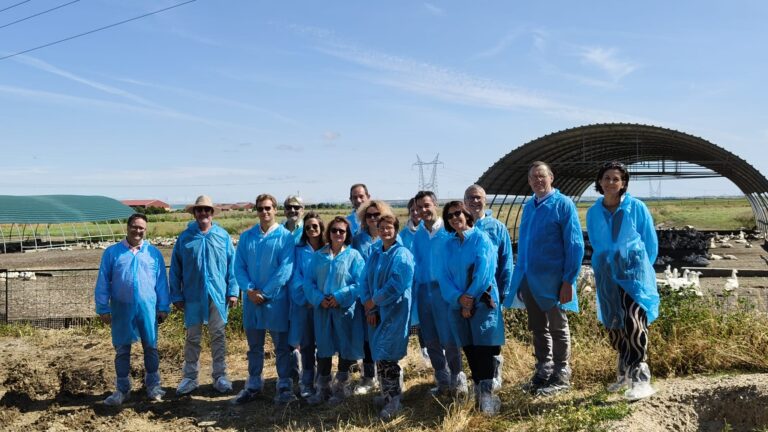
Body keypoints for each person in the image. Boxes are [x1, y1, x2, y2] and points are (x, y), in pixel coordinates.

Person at [504, 161, 585, 396]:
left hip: (554, 279)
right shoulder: (529, 206)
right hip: (530, 277)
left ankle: (562, 372)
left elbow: (574, 245)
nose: (538, 181)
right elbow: (526, 244)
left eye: (542, 176)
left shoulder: (563, 205)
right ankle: (543, 369)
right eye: (533, 177)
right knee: (538, 327)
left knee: (558, 326)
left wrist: (569, 279)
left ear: (551, 178)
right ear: (529, 182)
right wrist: (520, 279)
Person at [586, 161, 659, 401]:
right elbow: (597, 243)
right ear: (599, 182)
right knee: (614, 325)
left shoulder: (636, 207)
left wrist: (640, 268)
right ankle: (624, 373)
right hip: (607, 274)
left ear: (624, 183)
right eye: (606, 178)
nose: (610, 183)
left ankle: (641, 377)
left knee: (634, 322)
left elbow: (649, 242)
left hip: (633, 275)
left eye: (616, 179)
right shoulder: (593, 211)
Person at [94, 213, 169, 406]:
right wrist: (103, 307)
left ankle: (153, 386)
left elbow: (161, 282)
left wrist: (163, 306)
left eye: (141, 228)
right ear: (127, 228)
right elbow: (103, 280)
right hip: (121, 308)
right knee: (122, 349)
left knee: (150, 347)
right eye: (134, 227)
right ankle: (122, 389)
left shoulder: (153, 253)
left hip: (148, 308)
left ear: (146, 229)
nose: (137, 231)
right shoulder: (112, 253)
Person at [439, 201, 505, 415]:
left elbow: (484, 272)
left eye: (458, 213)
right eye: (450, 216)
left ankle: (488, 397)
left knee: (483, 348)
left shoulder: (480, 239)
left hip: (481, 302)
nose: (455, 217)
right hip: (457, 305)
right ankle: (478, 391)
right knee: (468, 348)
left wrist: (469, 298)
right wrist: (459, 299)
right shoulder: (448, 246)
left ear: (467, 214)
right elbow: (444, 277)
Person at [171, 195, 238, 396]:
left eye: (207, 210)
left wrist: (233, 291)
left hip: (217, 295)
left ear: (211, 213)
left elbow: (231, 266)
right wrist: (176, 295)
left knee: (218, 335)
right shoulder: (185, 238)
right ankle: (190, 377)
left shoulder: (222, 236)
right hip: (192, 295)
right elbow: (175, 269)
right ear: (194, 213)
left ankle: (220, 376)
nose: (203, 213)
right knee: (193, 337)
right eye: (199, 210)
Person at [233, 194, 296, 405]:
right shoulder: (247, 237)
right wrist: (249, 290)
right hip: (251, 301)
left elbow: (285, 269)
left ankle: (285, 384)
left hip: (276, 300)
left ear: (275, 209)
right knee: (254, 346)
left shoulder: (285, 237)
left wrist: (266, 293)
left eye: (268, 208)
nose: (264, 212)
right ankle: (253, 385)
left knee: (281, 346)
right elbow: (239, 266)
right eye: (260, 208)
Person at [304, 217, 366, 405]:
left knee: (345, 348)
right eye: (334, 230)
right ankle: (323, 389)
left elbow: (360, 282)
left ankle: (340, 388)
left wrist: (339, 296)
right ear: (328, 233)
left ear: (347, 235)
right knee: (323, 348)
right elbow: (309, 282)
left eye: (342, 231)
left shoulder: (353, 256)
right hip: (322, 310)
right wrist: (318, 298)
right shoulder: (319, 256)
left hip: (344, 310)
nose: (338, 233)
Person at [411, 190, 467, 396]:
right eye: (418, 207)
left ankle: (457, 378)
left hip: (445, 290)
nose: (423, 210)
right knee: (430, 337)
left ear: (435, 204)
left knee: (449, 336)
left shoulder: (447, 232)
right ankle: (442, 380)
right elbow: (417, 264)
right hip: (425, 291)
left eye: (426, 205)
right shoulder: (418, 235)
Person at [360, 214, 414, 420]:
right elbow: (364, 279)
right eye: (381, 227)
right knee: (379, 357)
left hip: (395, 312)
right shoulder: (375, 254)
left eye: (389, 227)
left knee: (388, 356)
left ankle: (394, 401)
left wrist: (375, 301)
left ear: (396, 229)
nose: (385, 231)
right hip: (376, 312)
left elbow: (397, 285)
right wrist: (370, 306)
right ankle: (387, 394)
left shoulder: (402, 255)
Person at [463, 184, 512, 390]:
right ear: (464, 202)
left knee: (490, 334)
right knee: (470, 338)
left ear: (486, 200)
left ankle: (493, 375)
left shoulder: (496, 227)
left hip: (489, 293)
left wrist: (504, 293)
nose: (475, 202)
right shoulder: (460, 228)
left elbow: (506, 261)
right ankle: (478, 378)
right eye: (471, 198)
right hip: (465, 294)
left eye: (478, 198)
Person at [351, 200, 395, 394]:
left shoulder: (391, 239)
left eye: (377, 215)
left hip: (385, 298)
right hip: (365, 297)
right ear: (363, 218)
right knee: (367, 338)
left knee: (386, 336)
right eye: (369, 215)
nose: (373, 218)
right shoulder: (357, 240)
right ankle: (369, 376)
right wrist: (368, 302)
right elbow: (357, 272)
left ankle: (388, 378)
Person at [287, 211, 326, 399]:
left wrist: (319, 298)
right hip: (304, 305)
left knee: (324, 344)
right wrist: (308, 298)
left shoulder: (327, 249)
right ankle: (307, 381)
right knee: (307, 344)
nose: (311, 230)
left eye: (315, 226)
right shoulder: (298, 250)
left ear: (321, 228)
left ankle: (323, 381)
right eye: (308, 226)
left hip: (323, 306)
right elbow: (295, 277)